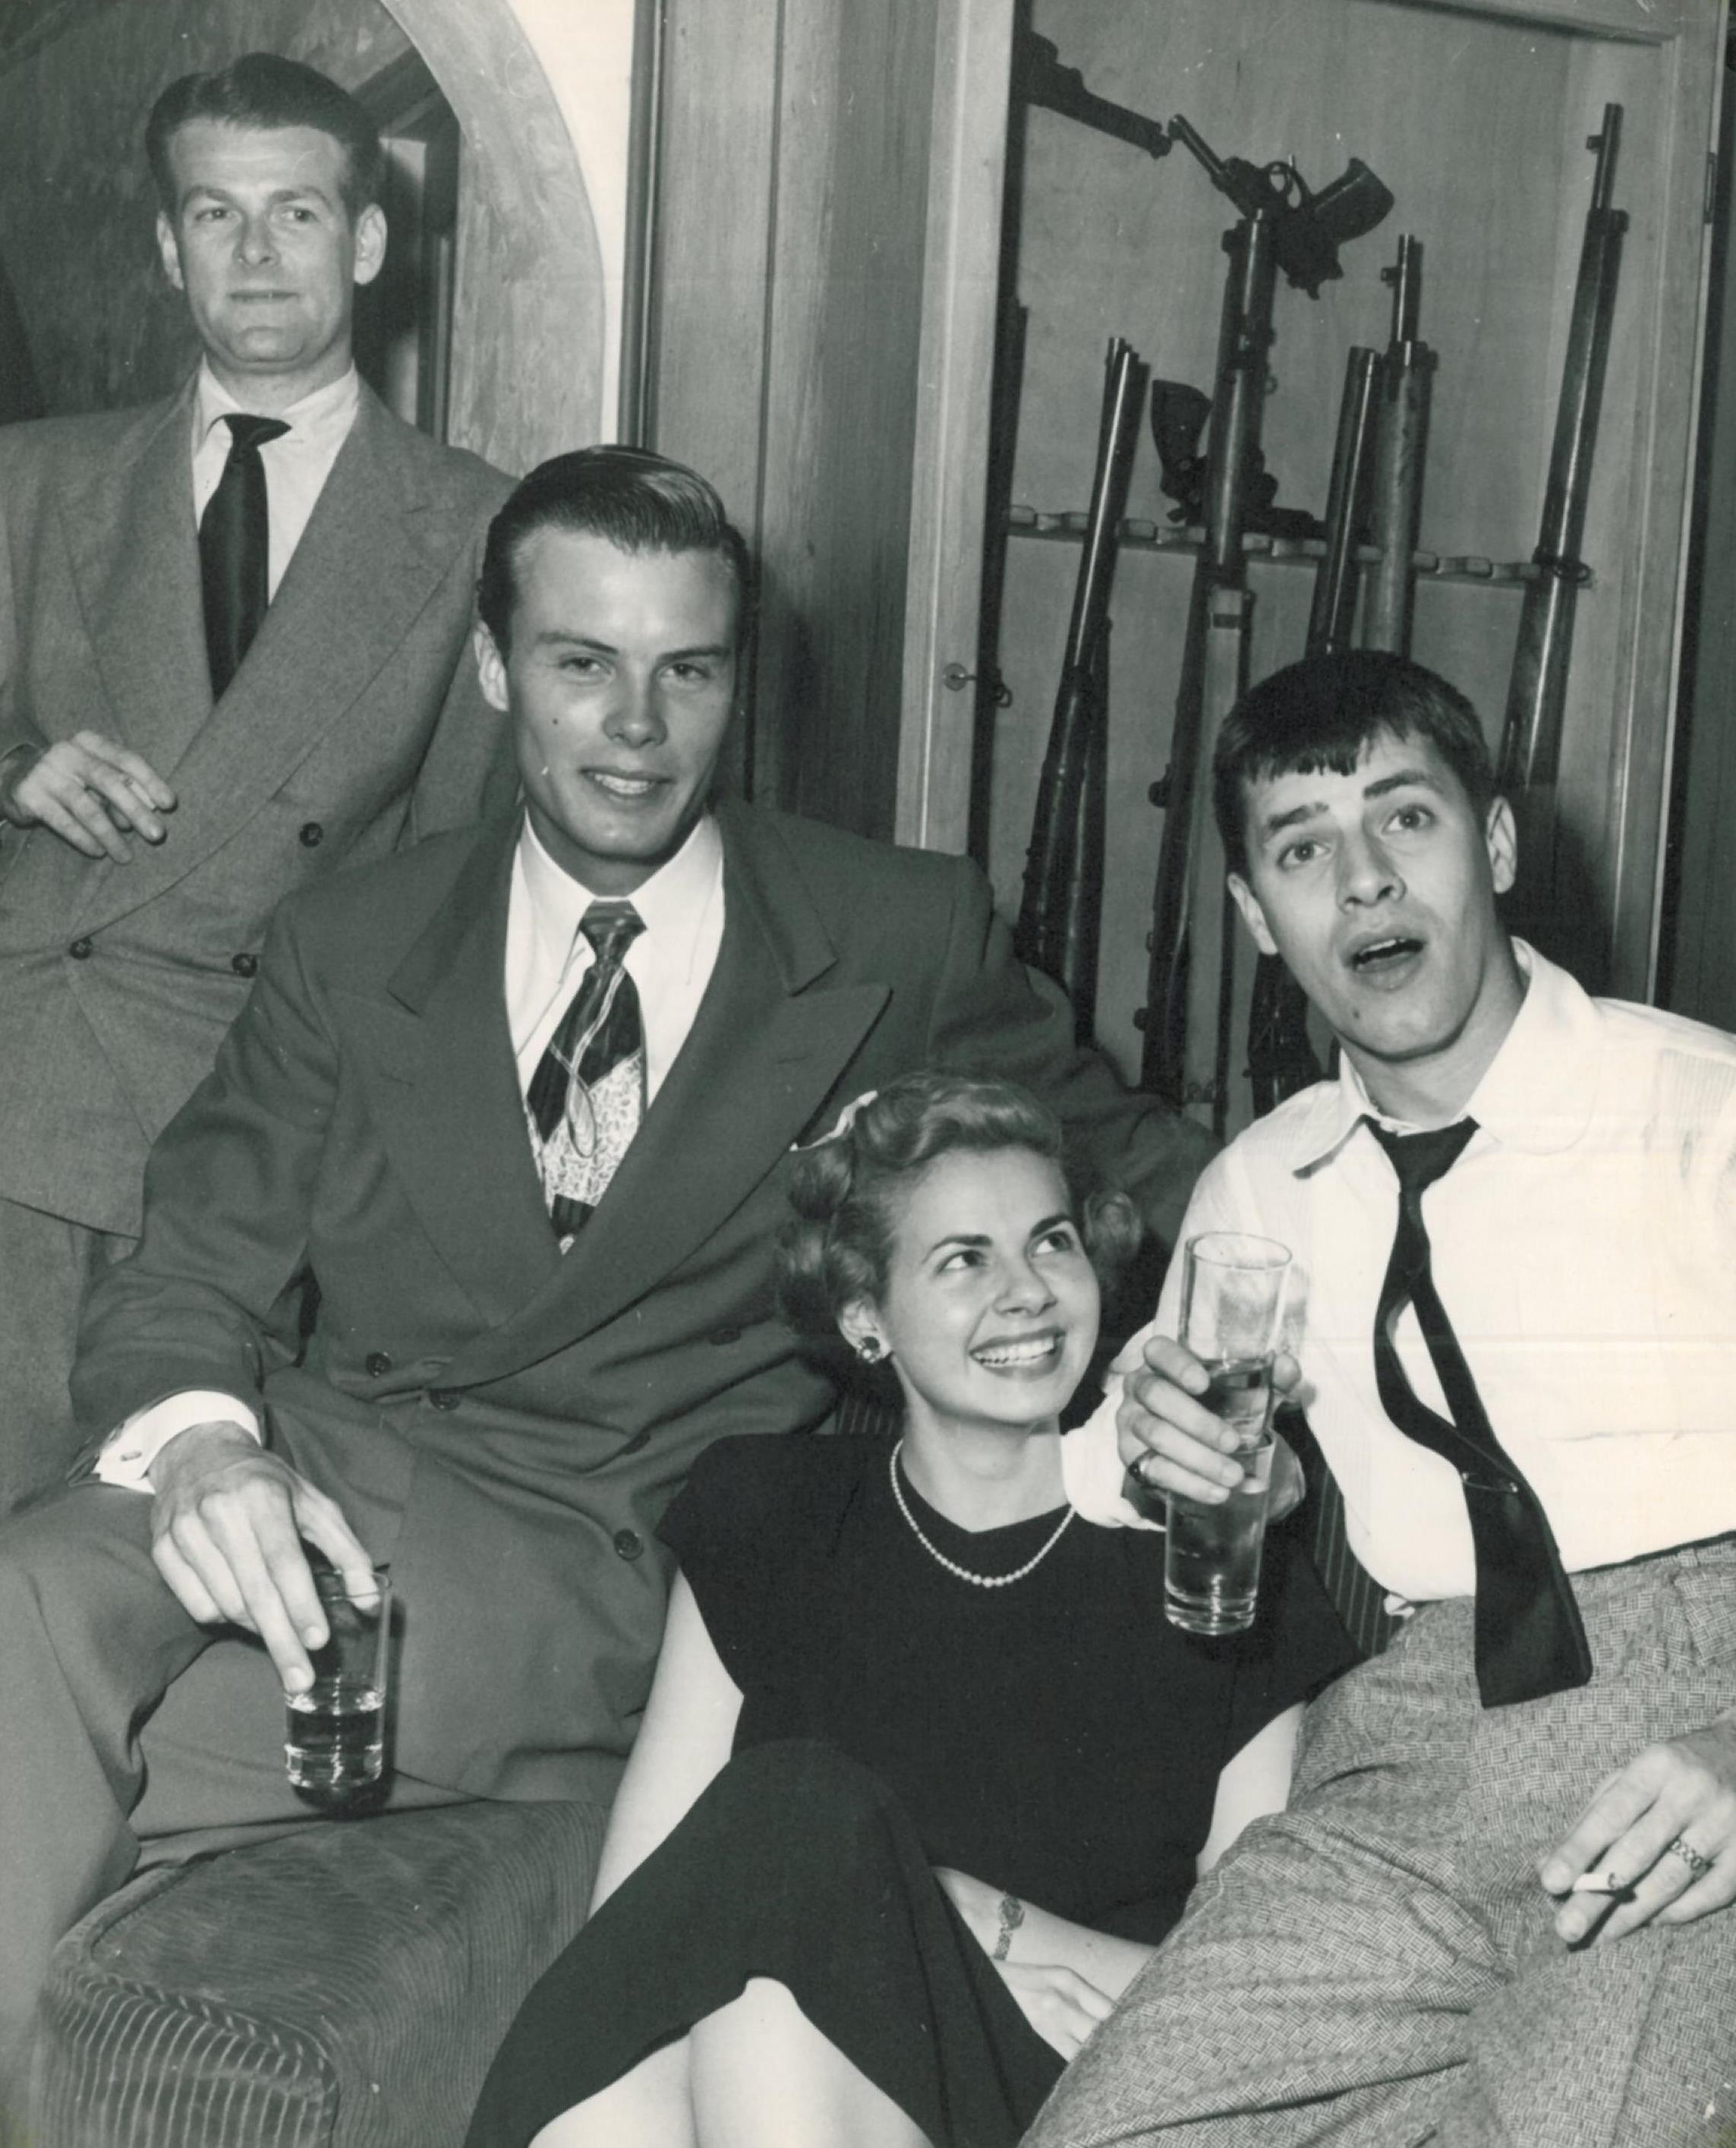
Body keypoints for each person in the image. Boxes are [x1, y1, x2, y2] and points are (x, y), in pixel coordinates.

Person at [0, 446, 1217, 2133]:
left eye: (686, 670)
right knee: (32, 1587)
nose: (636, 727)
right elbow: (187, 1255)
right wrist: (209, 1449)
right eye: (582, 664)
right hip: (317, 1479)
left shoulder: (889, 931)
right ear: (497, 669)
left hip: (604, 1555)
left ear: (736, 680)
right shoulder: (353, 935)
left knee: (65, 1737)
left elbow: (1139, 1170)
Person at [1032, 651, 1736, 2148]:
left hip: (1687, 1735)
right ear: (1252, 915)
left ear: (1491, 845)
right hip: (1406, 1751)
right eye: (1301, 848)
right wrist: (1171, 1453)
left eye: (1403, 821)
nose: (1359, 883)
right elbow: (1107, 1468)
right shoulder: (1260, 1183)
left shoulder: (1701, 1116)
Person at [461, 1071, 1353, 2148]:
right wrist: (923, 1905)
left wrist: (974, 1930)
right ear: (866, 1319)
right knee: (759, 2000)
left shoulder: (1212, 1548)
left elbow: (1262, 1984)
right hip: (781, 2091)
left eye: (1052, 1241)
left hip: (1077, 2091)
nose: (1026, 1291)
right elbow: (648, 1921)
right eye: (963, 1259)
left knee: (793, 1827)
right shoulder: (768, 1516)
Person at [0, 53, 514, 1511]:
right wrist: (18, 767)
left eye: (295, 214)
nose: (255, 254)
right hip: (21, 1091)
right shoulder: (31, 484)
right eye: (215, 217)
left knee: (165, 1567)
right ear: (168, 249)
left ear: (365, 241)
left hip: (258, 1125)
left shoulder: (475, 525)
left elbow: (462, 871)